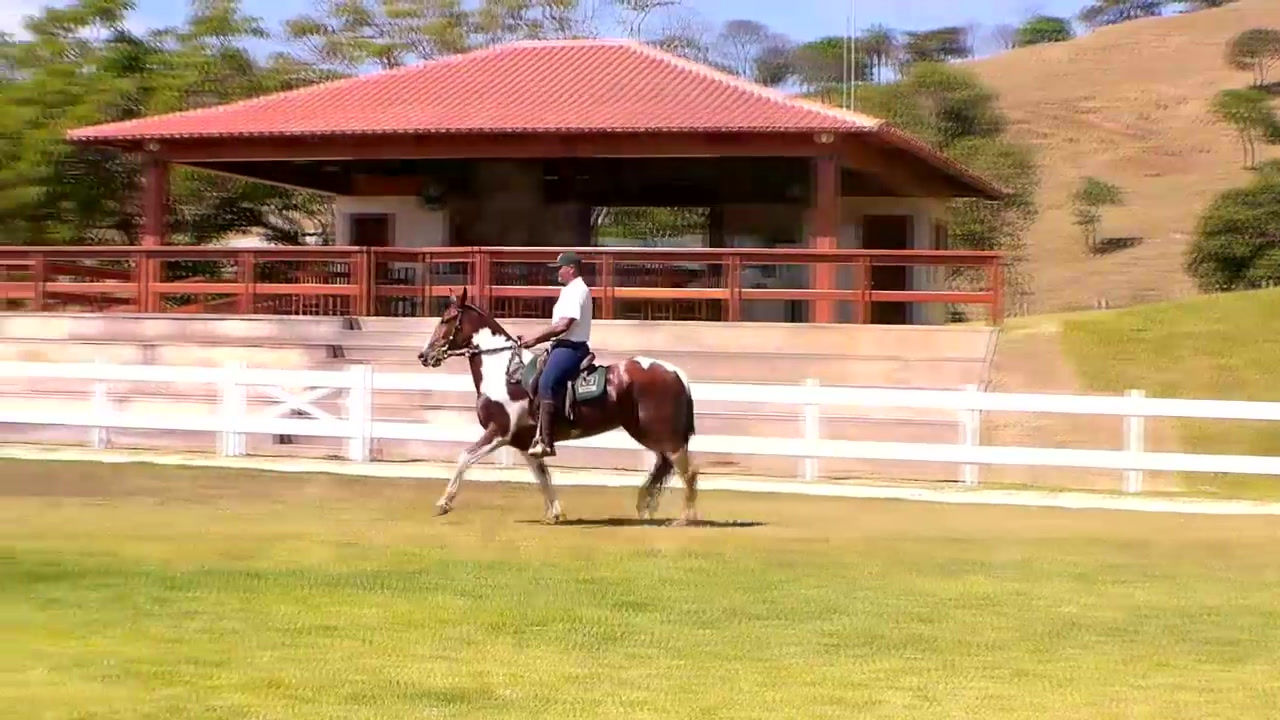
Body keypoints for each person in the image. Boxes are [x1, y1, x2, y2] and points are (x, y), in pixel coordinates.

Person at [516, 251, 593, 458]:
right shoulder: (569, 290)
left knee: (547, 382)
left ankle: (547, 441)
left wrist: (534, 339)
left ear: (571, 269)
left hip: (571, 348)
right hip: (560, 346)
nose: (557, 272)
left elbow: (563, 325)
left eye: (560, 268)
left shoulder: (577, 290)